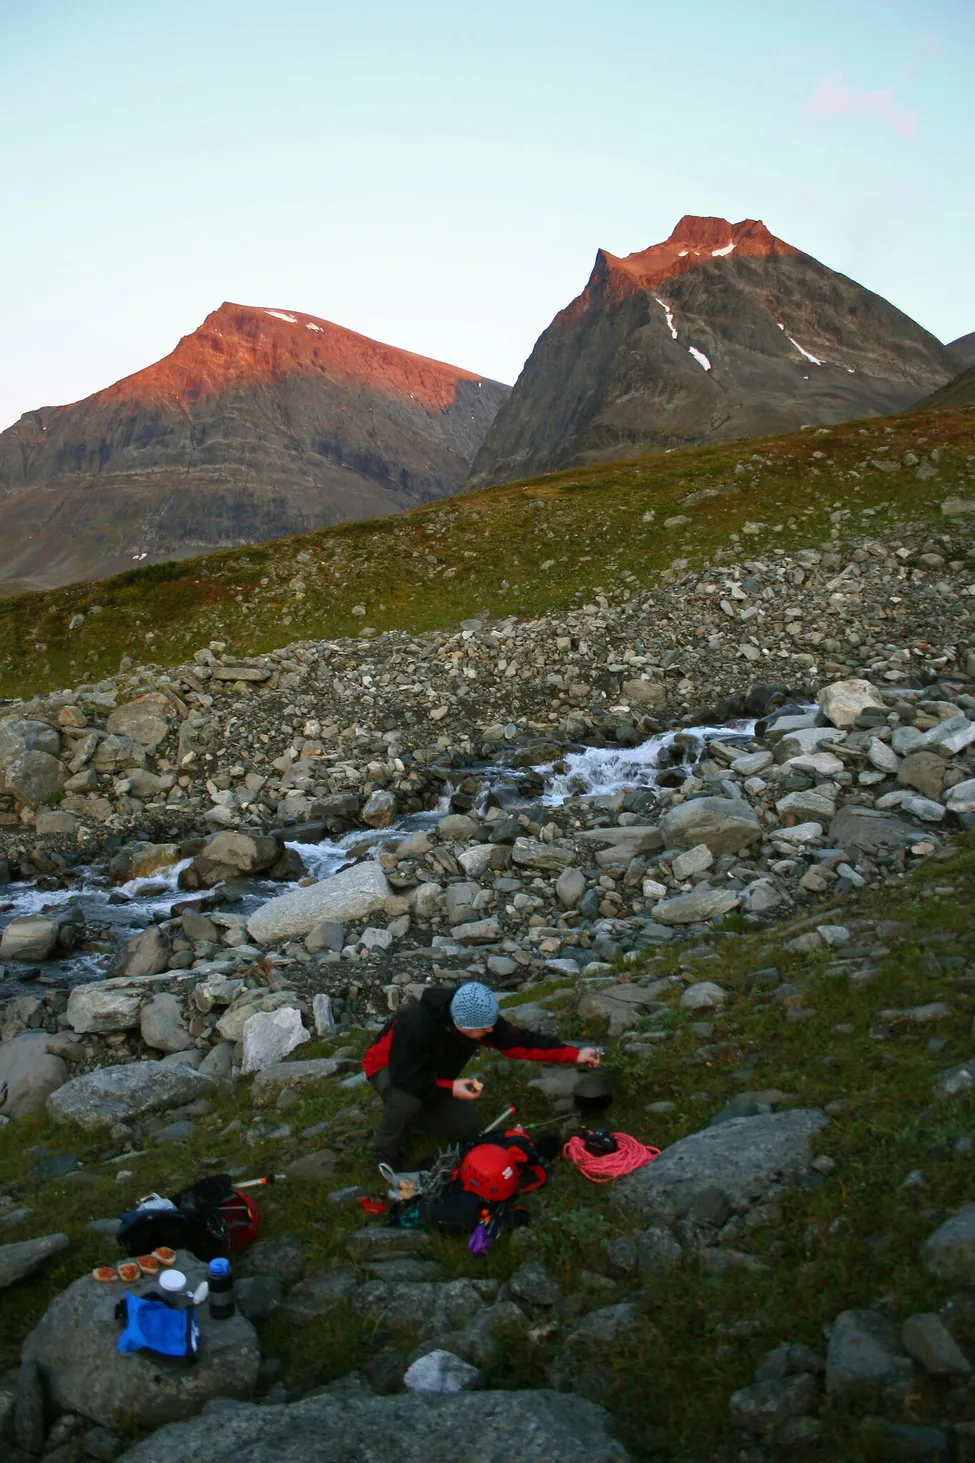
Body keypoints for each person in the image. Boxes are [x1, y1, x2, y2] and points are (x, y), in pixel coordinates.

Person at [362, 980, 600, 1167]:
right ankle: (386, 1149)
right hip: (390, 1067)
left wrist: (574, 1055)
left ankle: (418, 1114)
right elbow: (405, 1076)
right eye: (483, 1028)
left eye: (490, 1025)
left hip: (431, 1073)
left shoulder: (477, 1018)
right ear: (461, 1026)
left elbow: (520, 1042)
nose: (490, 1030)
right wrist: (449, 1088)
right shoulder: (416, 1024)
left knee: (466, 1129)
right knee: (407, 1100)